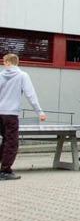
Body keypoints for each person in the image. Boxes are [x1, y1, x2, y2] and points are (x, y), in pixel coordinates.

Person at [0, 53, 47, 181]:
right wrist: (40, 112)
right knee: (11, 142)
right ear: (17, 62)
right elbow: (30, 95)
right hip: (11, 114)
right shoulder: (22, 76)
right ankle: (5, 170)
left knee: (5, 141)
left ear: (8, 62)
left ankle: (3, 167)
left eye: (4, 62)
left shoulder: (0, 75)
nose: (3, 64)